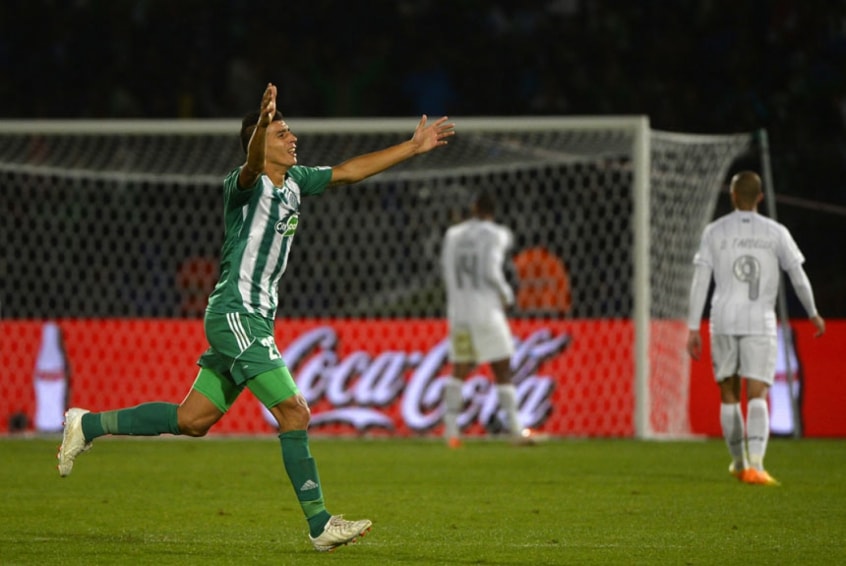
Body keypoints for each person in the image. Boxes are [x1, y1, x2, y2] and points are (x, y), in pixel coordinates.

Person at [57, 83, 455, 552]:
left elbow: (349, 172)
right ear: (261, 141)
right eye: (281, 133)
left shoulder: (297, 182)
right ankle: (319, 524)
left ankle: (87, 424)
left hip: (254, 319)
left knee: (193, 420)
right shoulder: (242, 186)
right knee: (295, 412)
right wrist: (262, 124)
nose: (292, 139)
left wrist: (412, 147)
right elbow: (249, 165)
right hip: (236, 313)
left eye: (289, 131)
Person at [686, 171, 825, 486]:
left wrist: (693, 326)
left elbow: (700, 281)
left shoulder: (715, 231)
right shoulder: (776, 232)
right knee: (758, 392)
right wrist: (813, 312)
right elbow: (797, 275)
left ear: (733, 196)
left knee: (729, 393)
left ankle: (739, 462)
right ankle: (758, 466)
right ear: (760, 197)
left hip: (723, 319)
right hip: (760, 320)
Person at [439, 191, 536, 448]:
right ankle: (516, 429)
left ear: (474, 207)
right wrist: (507, 295)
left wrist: (456, 304)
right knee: (502, 369)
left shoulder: (453, 235)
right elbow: (491, 270)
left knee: (459, 369)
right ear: (493, 211)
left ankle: (451, 432)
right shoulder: (498, 234)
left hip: (460, 312)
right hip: (486, 311)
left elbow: (447, 272)